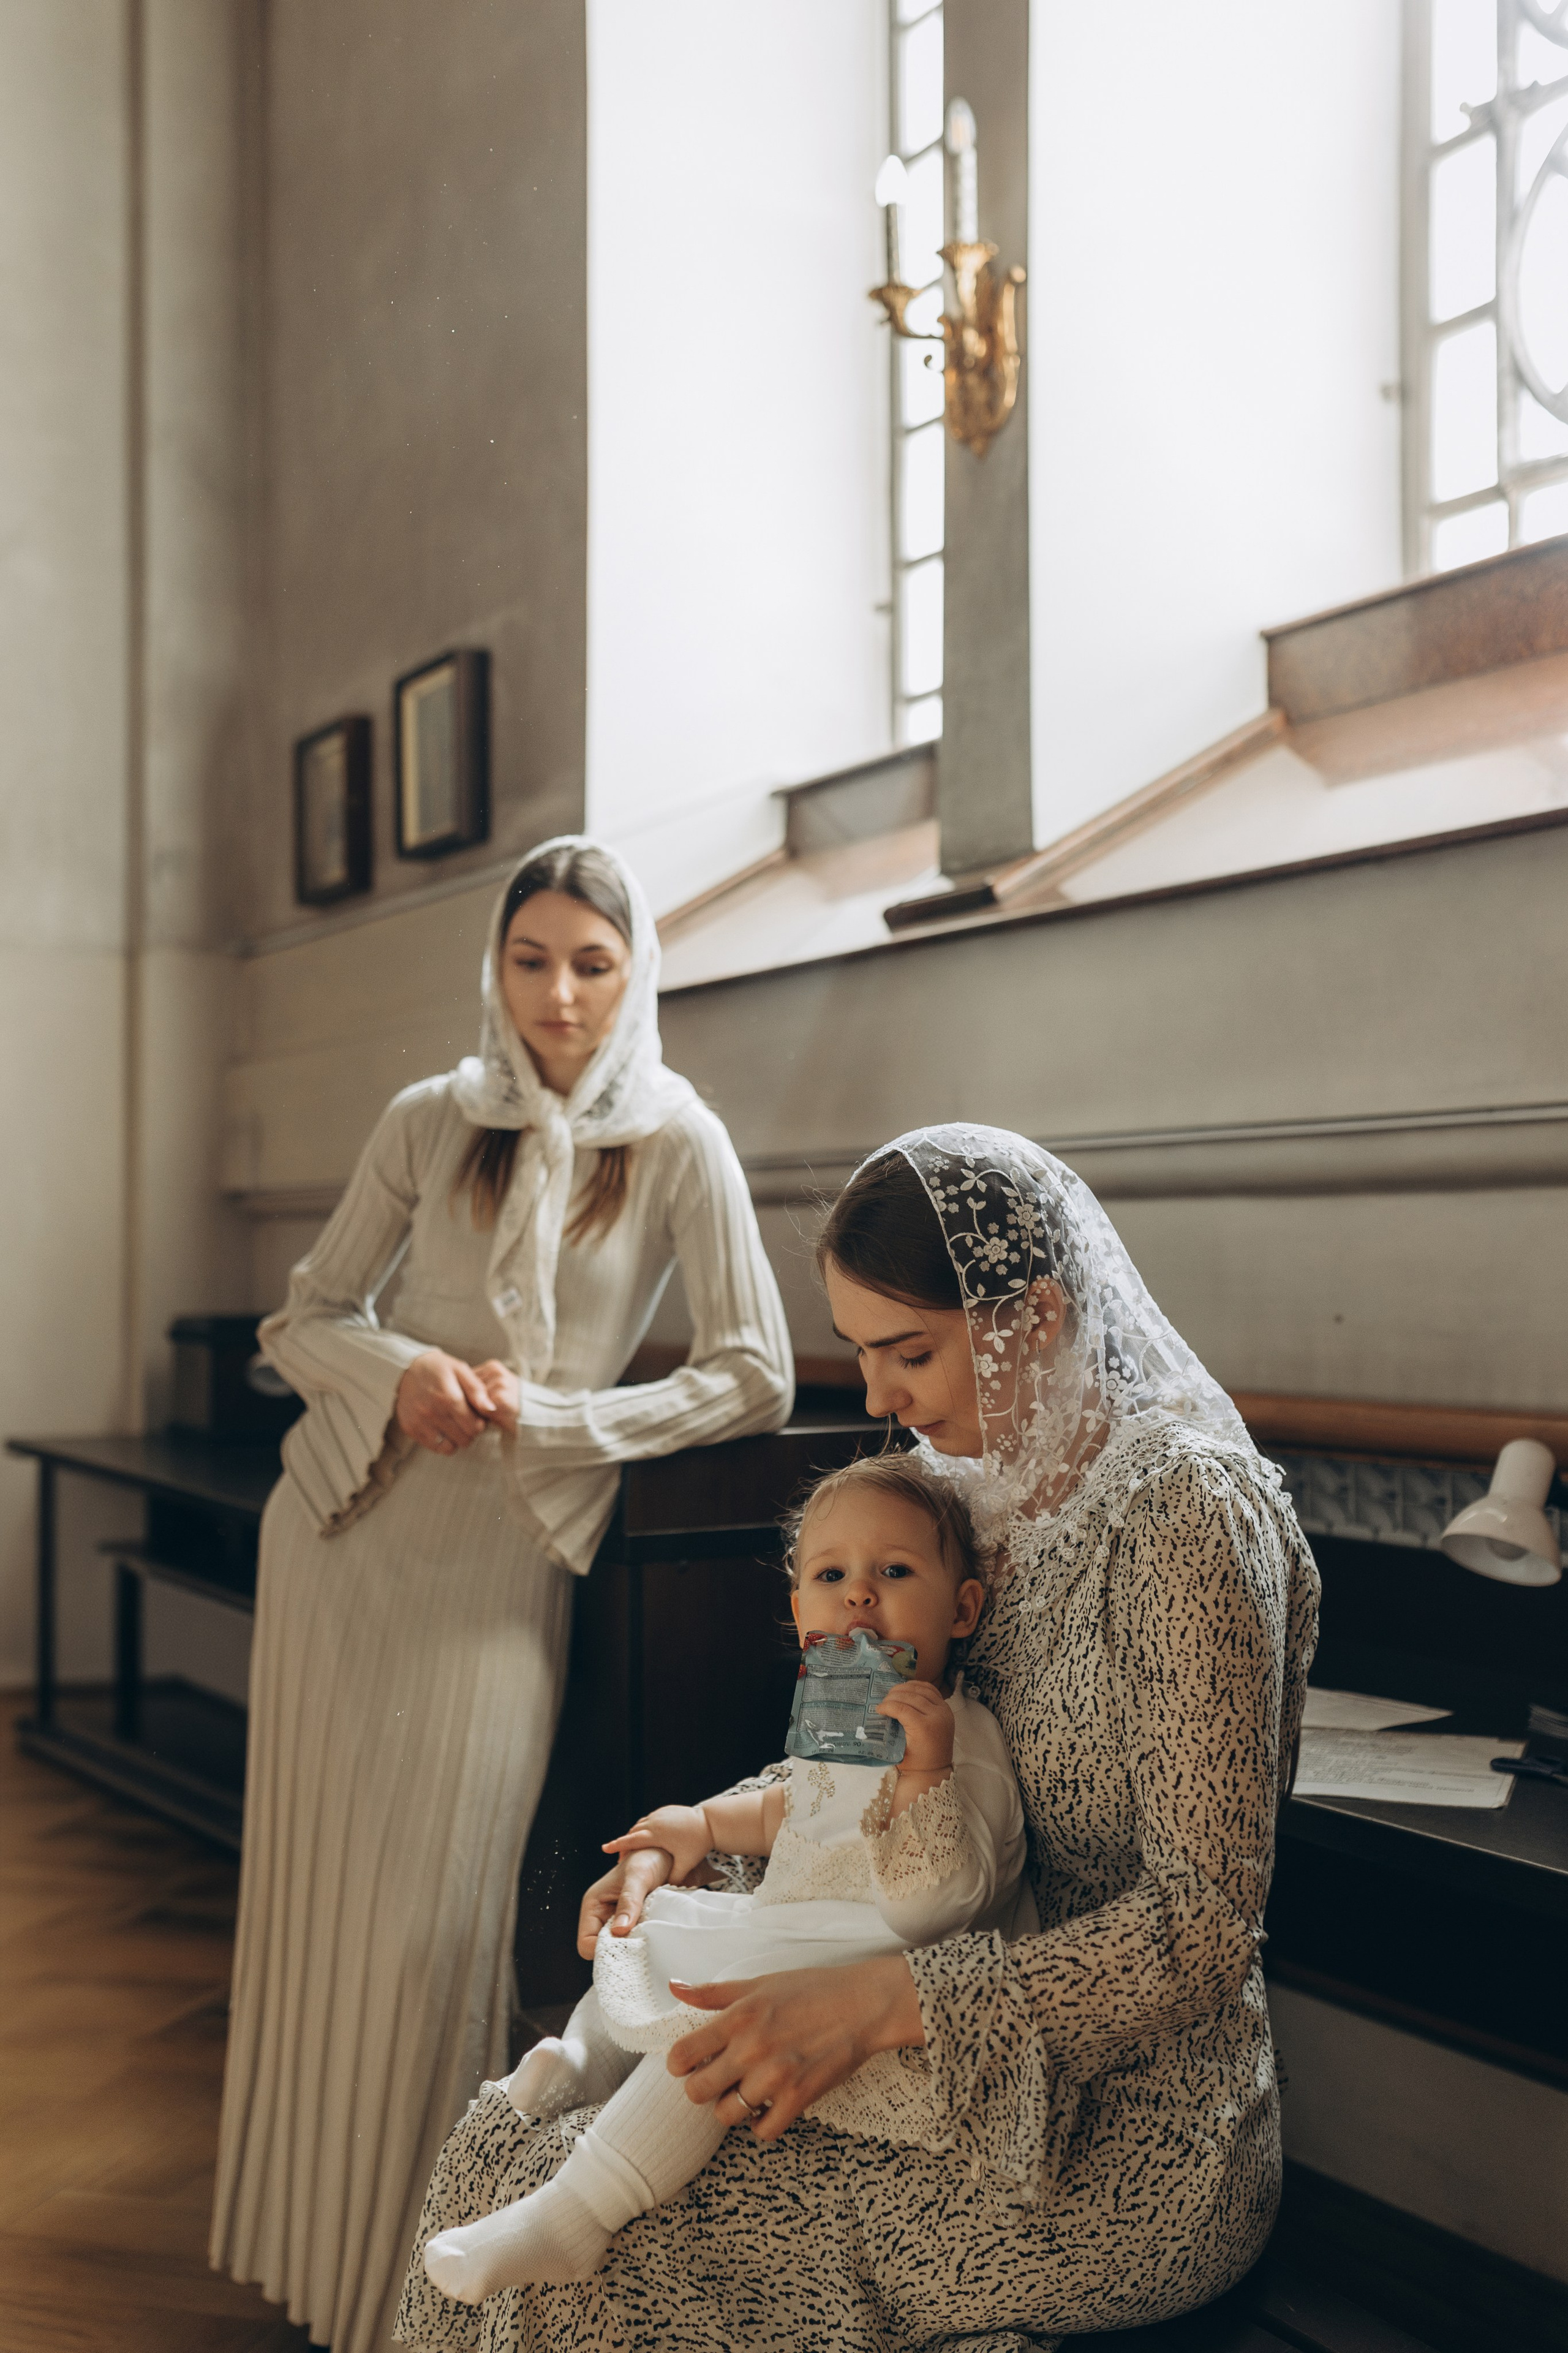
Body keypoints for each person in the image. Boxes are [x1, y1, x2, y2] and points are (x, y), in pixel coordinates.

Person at [396, 1123, 1319, 2353]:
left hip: (1117, 2133)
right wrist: (700, 1847)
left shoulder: (1182, 1515)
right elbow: (855, 1767)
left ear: (1032, 1316)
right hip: (922, 2040)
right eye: (861, 1352)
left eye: (908, 1352)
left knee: (600, 2260)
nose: (878, 1399)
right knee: (510, 2151)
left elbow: (1199, 1933)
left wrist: (889, 2003)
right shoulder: (970, 1487)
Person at [210, 836, 793, 2353]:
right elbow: (304, 1316)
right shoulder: (429, 1117)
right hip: (346, 1537)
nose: (558, 994)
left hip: (502, 1563)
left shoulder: (677, 1139)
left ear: (635, 968)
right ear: (496, 964)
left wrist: (565, 1416)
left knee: (438, 1932)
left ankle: (420, 2302)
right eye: (530, 958)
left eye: (590, 962)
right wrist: (406, 1377)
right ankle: (306, 2262)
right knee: (316, 1916)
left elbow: (755, 1372)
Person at [420, 1454, 1031, 2303]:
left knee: (709, 2040)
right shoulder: (832, 1730)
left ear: (962, 1607)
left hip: (871, 1986)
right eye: (832, 1575)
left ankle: (578, 2212)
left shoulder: (966, 1740)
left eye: (894, 1571)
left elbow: (937, 1907)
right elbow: (793, 1809)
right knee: (661, 1935)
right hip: (797, 1936)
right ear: (800, 1611)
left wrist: (925, 1771)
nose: (860, 1596)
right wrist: (704, 1822)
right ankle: (580, 2062)